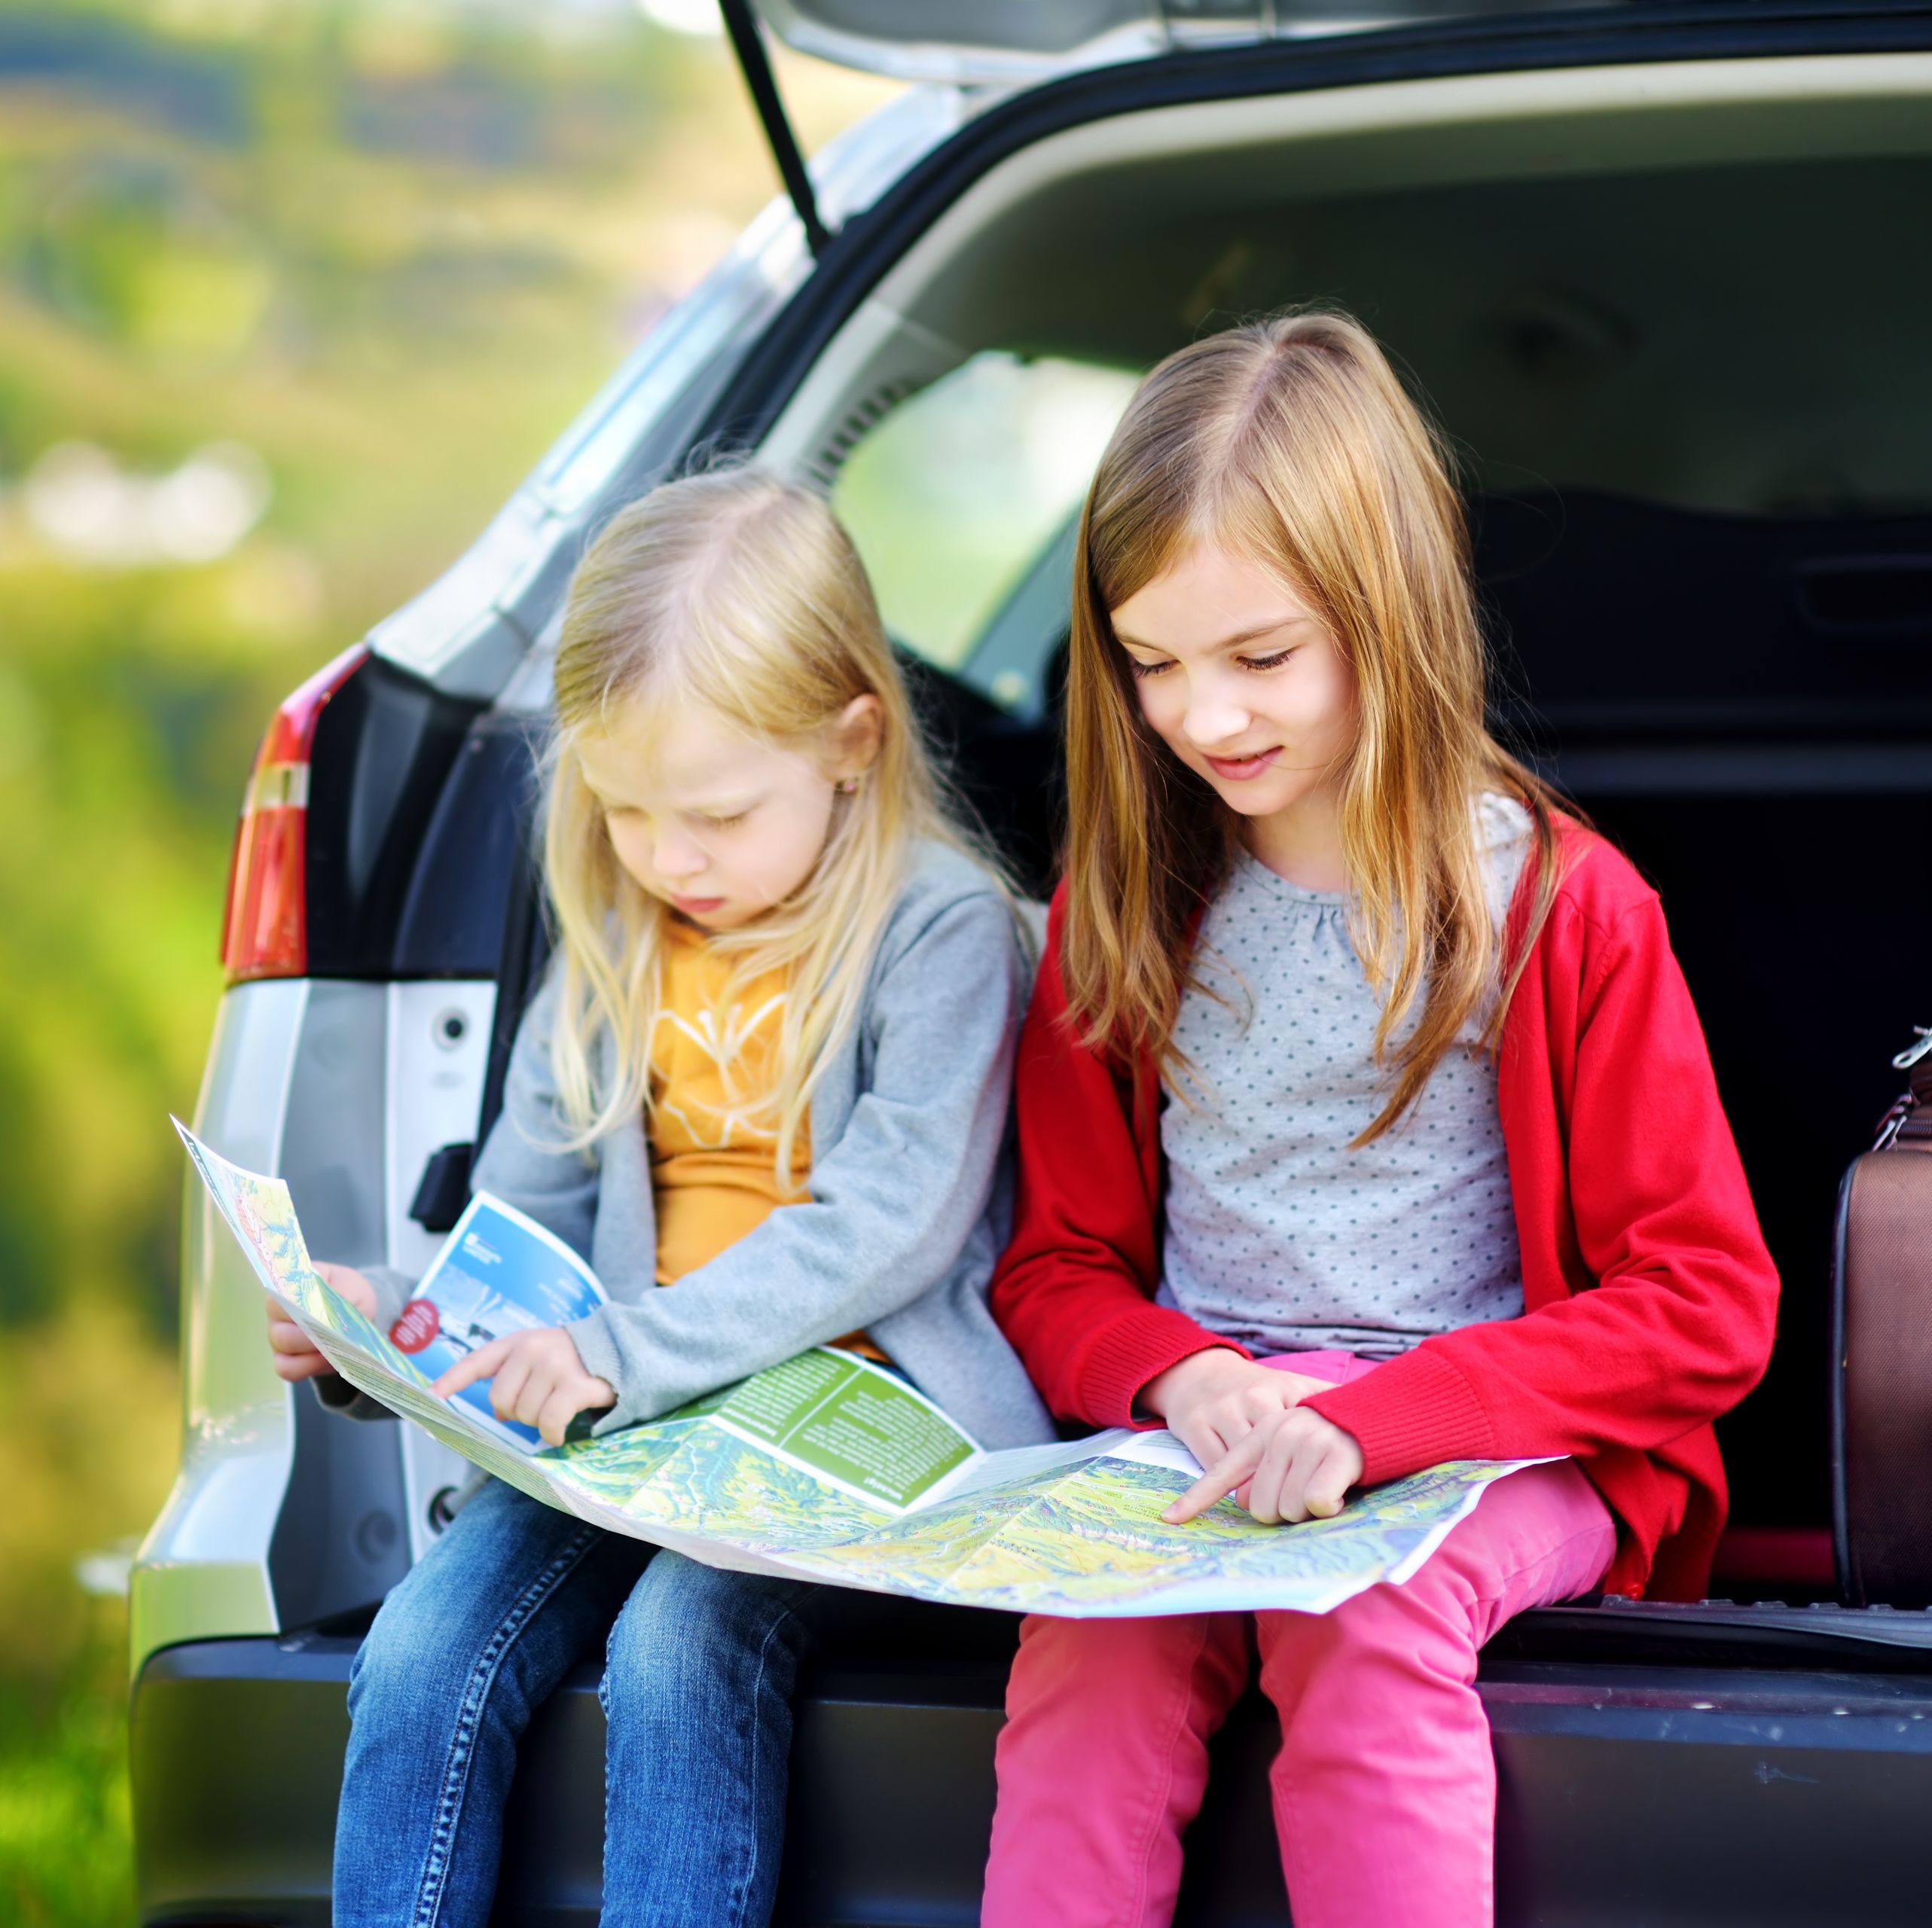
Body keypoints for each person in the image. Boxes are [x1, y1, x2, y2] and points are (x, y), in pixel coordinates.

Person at [978, 311, 1779, 1928]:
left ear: (1384, 607)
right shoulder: (1118, 914)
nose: (1204, 716)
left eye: (1257, 655)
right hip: (1197, 1440)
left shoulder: (1558, 907)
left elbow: (1704, 1303)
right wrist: (1183, 1372)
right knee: (1085, 1645)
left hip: (1486, 1442)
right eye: (1150, 662)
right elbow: (1054, 1266)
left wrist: (1376, 1419)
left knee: (1369, 1611)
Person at [263, 466, 1053, 1928]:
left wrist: (627, 1352)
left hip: (862, 1427)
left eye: (714, 813)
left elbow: (895, 1220)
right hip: (640, 1425)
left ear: (850, 744)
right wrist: (398, 1317)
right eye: (625, 811)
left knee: (684, 1637)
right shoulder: (623, 942)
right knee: (422, 1644)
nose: (668, 858)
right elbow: (529, 1211)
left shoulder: (938, 930)